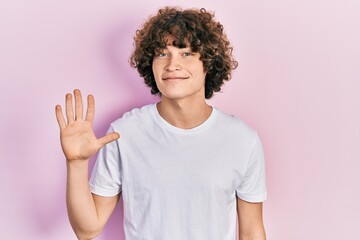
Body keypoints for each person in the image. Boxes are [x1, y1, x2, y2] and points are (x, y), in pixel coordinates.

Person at [55, 6, 267, 240]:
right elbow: (87, 229)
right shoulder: (123, 133)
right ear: (150, 64)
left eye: (186, 53)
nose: (172, 65)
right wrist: (75, 163)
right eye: (162, 53)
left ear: (208, 63)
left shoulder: (242, 139)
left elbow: (251, 232)